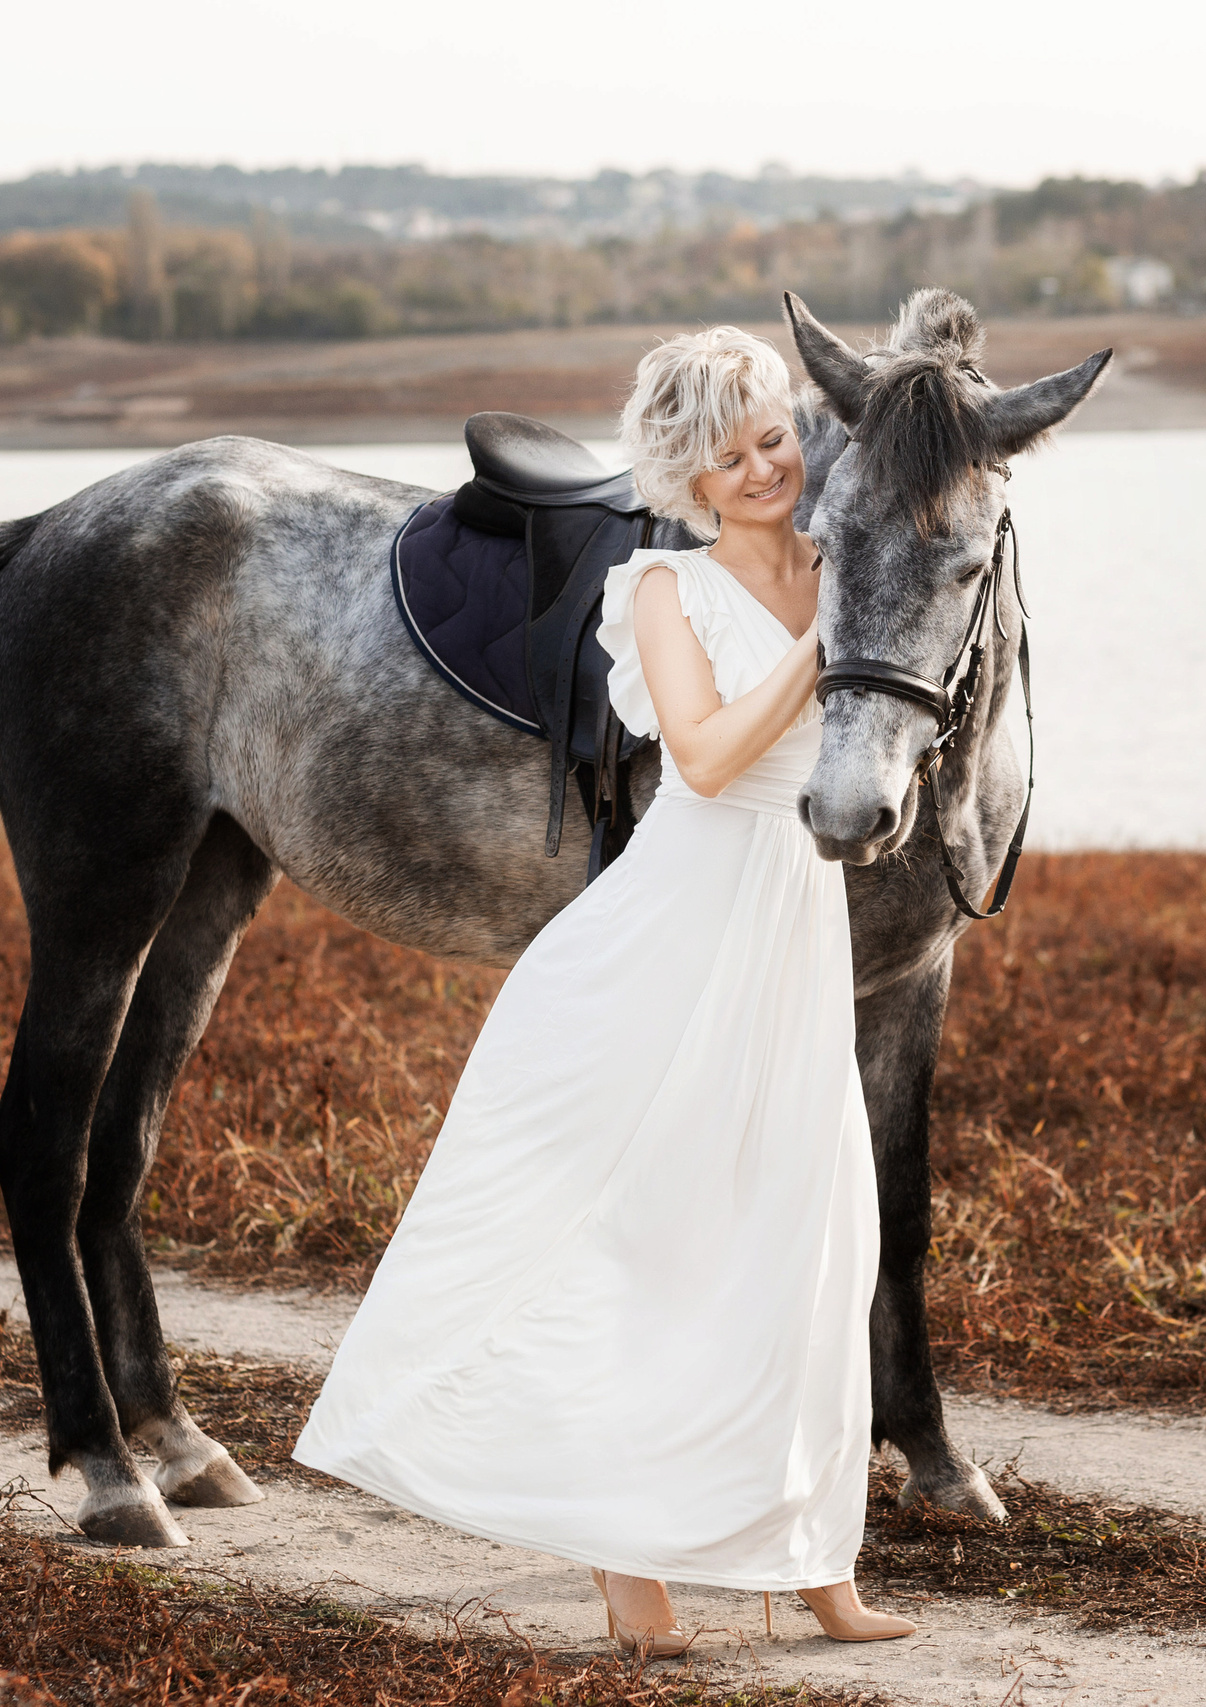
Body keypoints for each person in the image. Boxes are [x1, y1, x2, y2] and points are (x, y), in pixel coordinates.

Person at [293, 326, 917, 1656]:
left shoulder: (843, 562)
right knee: (655, 1241)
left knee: (810, 1241)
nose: (763, 469)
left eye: (773, 440)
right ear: (687, 480)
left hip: (792, 927)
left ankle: (817, 1562)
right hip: (675, 932)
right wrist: (822, 653)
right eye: (727, 458)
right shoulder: (663, 591)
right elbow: (704, 759)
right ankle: (628, 1567)